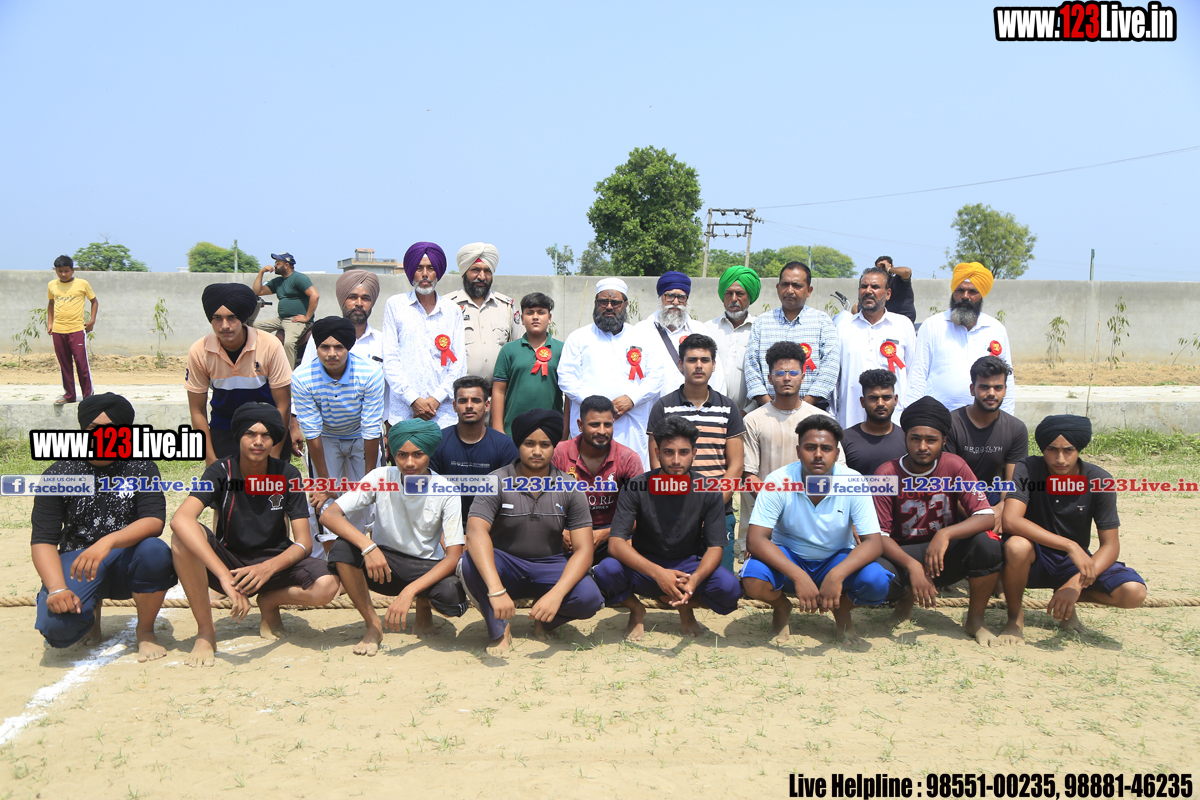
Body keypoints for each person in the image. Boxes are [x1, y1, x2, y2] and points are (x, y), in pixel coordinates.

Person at [169, 403, 340, 667]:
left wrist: (267, 568)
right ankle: (205, 633)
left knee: (327, 585)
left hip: (276, 565)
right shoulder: (220, 471)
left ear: (274, 440)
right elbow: (180, 519)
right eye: (250, 434)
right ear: (239, 436)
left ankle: (270, 601)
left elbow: (304, 542)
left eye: (266, 435)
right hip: (230, 566)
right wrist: (223, 576)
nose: (258, 441)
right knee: (182, 538)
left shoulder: (288, 474)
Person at [31, 394, 176, 660]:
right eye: (93, 429)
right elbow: (43, 540)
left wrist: (107, 542)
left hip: (128, 558)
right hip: (78, 562)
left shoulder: (141, 466)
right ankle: (91, 616)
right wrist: (57, 588)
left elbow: (153, 521)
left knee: (155, 551)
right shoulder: (59, 473)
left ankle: (145, 631)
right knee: (58, 630)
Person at [459, 409, 603, 655]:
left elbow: (584, 550)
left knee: (590, 597)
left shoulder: (570, 487)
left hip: (550, 564)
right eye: (529, 443)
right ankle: (500, 628)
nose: (537, 451)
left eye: (545, 444)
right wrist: (496, 589)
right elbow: (475, 531)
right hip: (505, 564)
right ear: (518, 445)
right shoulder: (495, 480)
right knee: (469, 563)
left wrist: (556, 595)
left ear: (554, 447)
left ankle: (545, 620)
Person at [320, 419, 469, 656]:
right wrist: (368, 547)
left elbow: (453, 557)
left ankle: (423, 606)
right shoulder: (380, 477)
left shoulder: (447, 490)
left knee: (452, 598)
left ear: (429, 453)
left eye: (418, 454)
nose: (409, 463)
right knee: (342, 549)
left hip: (424, 566)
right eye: (402, 455)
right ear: (392, 454)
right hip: (382, 564)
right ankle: (373, 625)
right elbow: (329, 515)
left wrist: (409, 592)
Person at [741, 416, 894, 644]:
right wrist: (799, 575)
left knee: (877, 582)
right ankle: (781, 607)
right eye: (810, 447)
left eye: (826, 448)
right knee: (753, 579)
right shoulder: (778, 480)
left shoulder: (853, 481)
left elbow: (873, 542)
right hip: (789, 557)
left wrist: (837, 575)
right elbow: (756, 539)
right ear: (798, 451)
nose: (818, 454)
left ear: (837, 453)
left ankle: (842, 609)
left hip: (836, 557)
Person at [999, 415, 1146, 645]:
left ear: (1079, 449)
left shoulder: (1099, 480)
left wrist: (1075, 584)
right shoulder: (1027, 469)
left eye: (1068, 450)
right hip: (1034, 558)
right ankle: (1015, 616)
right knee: (1016, 546)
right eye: (1052, 450)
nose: (1060, 459)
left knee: (1133, 593)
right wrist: (1070, 545)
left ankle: (1066, 599)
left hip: (1073, 564)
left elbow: (1110, 545)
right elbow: (1010, 520)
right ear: (1043, 449)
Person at [594, 416, 742, 640]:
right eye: (668, 452)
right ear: (657, 453)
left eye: (684, 452)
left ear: (694, 453)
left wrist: (695, 580)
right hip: (645, 566)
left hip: (688, 566)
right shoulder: (636, 487)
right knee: (606, 570)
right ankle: (636, 610)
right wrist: (659, 574)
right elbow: (616, 544)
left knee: (729, 587)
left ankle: (685, 607)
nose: (676, 460)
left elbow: (715, 548)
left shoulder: (709, 490)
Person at [873, 396, 1003, 646]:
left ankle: (976, 619)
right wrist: (913, 567)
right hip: (902, 554)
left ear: (944, 441)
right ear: (905, 439)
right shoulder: (886, 473)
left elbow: (986, 516)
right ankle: (904, 602)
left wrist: (946, 534)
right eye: (915, 438)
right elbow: (880, 535)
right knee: (873, 570)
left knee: (988, 543)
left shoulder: (954, 465)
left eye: (931, 440)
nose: (922, 446)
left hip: (943, 555)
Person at [647, 334, 745, 571]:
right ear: (681, 365)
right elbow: (656, 464)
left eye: (705, 360)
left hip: (718, 510)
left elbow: (736, 466)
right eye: (692, 360)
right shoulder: (663, 407)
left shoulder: (728, 408)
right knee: (674, 576)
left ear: (714, 365)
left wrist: (710, 507)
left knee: (722, 581)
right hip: (673, 509)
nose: (698, 366)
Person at [292, 316, 386, 558]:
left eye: (339, 347)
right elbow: (312, 432)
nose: (331, 354)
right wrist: (325, 483)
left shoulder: (370, 372)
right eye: (325, 347)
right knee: (321, 497)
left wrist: (367, 480)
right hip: (325, 437)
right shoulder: (302, 377)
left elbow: (371, 428)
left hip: (361, 437)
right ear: (317, 347)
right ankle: (326, 559)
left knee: (369, 496)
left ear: (349, 347)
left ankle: (365, 552)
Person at [739, 341, 842, 559]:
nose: (787, 378)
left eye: (793, 372)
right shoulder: (753, 420)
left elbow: (837, 473)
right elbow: (749, 476)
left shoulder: (821, 419)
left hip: (814, 519)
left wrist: (802, 506)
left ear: (803, 377)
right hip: (766, 521)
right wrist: (781, 505)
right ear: (770, 379)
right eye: (780, 373)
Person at [557, 277, 667, 470]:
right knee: (587, 477)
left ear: (625, 304)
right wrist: (595, 404)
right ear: (595, 303)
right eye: (603, 302)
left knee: (630, 476)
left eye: (615, 302)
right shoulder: (578, 338)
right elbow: (566, 377)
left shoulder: (643, 338)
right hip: (591, 424)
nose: (609, 307)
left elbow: (657, 376)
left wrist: (632, 398)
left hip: (631, 424)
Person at [186, 283, 292, 464]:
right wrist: (211, 461)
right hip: (224, 428)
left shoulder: (270, 345)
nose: (224, 326)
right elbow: (197, 411)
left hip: (267, 429)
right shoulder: (199, 350)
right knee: (228, 483)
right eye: (217, 318)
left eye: (232, 317)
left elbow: (283, 405)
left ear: (242, 317)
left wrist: (274, 457)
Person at [294, 269, 386, 461]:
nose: (359, 303)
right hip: (325, 434)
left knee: (368, 479)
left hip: (367, 433)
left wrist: (388, 428)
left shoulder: (382, 341)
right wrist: (294, 423)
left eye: (365, 298)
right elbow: (306, 378)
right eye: (352, 297)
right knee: (327, 480)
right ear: (342, 299)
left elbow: (388, 390)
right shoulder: (320, 338)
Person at [908, 262, 1015, 414]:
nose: (965, 296)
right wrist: (912, 415)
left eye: (972, 292)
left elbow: (1006, 378)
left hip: (984, 417)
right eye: (960, 290)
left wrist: (1007, 416)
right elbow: (918, 374)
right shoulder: (932, 325)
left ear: (981, 295)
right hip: (937, 417)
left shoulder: (995, 328)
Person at [381, 242, 466, 428]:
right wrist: (413, 399)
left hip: (443, 414)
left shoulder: (452, 310)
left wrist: (436, 398)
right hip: (404, 413)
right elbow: (390, 359)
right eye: (419, 268)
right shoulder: (395, 305)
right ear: (411, 271)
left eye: (431, 268)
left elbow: (458, 364)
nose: (425, 274)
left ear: (438, 273)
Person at [551, 395, 644, 565]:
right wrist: (559, 531)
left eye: (607, 424)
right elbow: (538, 500)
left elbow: (642, 515)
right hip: (566, 534)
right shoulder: (558, 453)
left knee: (614, 566)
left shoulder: (628, 459)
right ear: (580, 425)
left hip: (611, 535)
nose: (602, 431)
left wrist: (604, 534)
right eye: (594, 425)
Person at [945, 355, 1028, 530]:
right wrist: (981, 519)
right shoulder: (951, 424)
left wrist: (1001, 508)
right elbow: (947, 484)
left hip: (995, 500)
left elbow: (1012, 483)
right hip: (957, 502)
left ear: (1005, 390)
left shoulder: (1016, 428)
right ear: (972, 389)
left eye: (998, 388)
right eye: (984, 387)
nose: (991, 393)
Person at [744, 262, 840, 411]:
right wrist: (772, 407)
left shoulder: (822, 322)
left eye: (796, 285)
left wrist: (802, 409)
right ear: (778, 287)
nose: (789, 290)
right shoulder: (762, 322)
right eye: (785, 284)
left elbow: (830, 367)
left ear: (809, 291)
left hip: (812, 410)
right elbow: (751, 367)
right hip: (768, 411)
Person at [833, 265, 915, 429]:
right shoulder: (843, 327)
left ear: (888, 294)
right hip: (851, 418)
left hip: (895, 421)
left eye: (875, 287)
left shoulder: (903, 325)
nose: (868, 291)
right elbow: (835, 379)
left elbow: (913, 372)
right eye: (864, 286)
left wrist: (910, 412)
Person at [430, 376, 519, 521]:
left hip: (492, 525)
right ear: (454, 406)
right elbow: (429, 494)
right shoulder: (437, 442)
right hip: (445, 523)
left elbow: (512, 496)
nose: (469, 406)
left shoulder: (505, 445)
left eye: (476, 400)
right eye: (463, 401)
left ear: (487, 405)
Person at [635, 271, 727, 394]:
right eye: (670, 296)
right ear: (661, 297)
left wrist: (716, 402)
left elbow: (716, 375)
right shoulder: (642, 330)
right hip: (652, 404)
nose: (675, 302)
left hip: (690, 404)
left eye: (681, 297)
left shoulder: (699, 330)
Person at [444, 243, 520, 383]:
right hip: (460, 393)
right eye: (475, 270)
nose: (482, 276)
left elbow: (519, 350)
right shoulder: (447, 306)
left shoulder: (506, 307)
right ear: (463, 274)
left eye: (487, 271)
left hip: (499, 393)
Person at [492, 292, 564, 438]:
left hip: (552, 430)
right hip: (513, 431)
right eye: (530, 313)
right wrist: (498, 430)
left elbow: (569, 395)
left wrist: (564, 432)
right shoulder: (508, 350)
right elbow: (498, 391)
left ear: (549, 318)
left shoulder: (562, 349)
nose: (535, 317)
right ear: (522, 319)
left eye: (541, 312)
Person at [252, 252, 319, 367]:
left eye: (278, 263)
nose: (275, 265)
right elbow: (257, 292)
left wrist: (307, 317)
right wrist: (261, 272)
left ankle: (288, 373)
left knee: (288, 343)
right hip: (281, 319)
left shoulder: (298, 278)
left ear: (286, 265)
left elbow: (315, 295)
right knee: (252, 327)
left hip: (295, 320)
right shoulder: (278, 282)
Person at [47, 254, 97, 405]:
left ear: (72, 270)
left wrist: (92, 321)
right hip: (58, 330)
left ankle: (88, 396)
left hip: (76, 329)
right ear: (56, 271)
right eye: (60, 271)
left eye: (66, 271)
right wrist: (50, 323)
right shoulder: (52, 285)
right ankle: (69, 395)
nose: (63, 274)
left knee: (81, 362)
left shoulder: (82, 284)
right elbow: (51, 304)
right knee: (65, 364)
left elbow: (94, 301)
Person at [708, 265, 760, 412]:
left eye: (740, 293)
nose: (734, 299)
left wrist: (746, 412)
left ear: (749, 296)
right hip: (709, 413)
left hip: (748, 415)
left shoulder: (759, 329)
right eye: (729, 293)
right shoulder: (708, 328)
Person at [840, 369, 908, 477]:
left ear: (895, 400)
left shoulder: (907, 439)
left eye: (886, 397)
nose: (880, 403)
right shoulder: (844, 440)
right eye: (873, 398)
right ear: (863, 402)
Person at [878, 256, 916, 324]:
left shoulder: (899, 280)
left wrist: (889, 269)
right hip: (887, 320)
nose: (882, 270)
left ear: (892, 266)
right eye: (878, 269)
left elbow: (907, 271)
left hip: (904, 317)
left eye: (883, 267)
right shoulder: (877, 286)